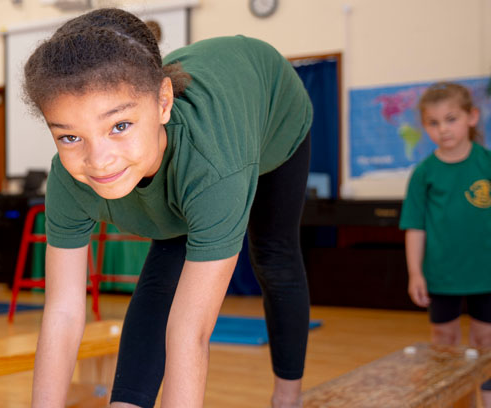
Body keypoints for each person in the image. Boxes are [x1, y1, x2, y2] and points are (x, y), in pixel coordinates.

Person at [24, 9, 313, 408]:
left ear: (163, 103)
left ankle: (287, 397)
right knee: (166, 270)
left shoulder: (211, 169)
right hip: (199, 148)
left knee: (274, 256)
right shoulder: (69, 180)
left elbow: (190, 332)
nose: (99, 161)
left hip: (272, 106)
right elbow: (62, 313)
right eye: (70, 137)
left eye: (119, 126)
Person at [401, 82, 491, 406]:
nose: (443, 129)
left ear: (472, 117)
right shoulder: (423, 173)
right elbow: (415, 227)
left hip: (485, 273)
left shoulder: (486, 163)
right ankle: (458, 399)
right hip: (441, 275)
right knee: (444, 340)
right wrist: (416, 273)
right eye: (433, 122)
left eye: (451, 119)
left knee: (485, 340)